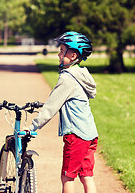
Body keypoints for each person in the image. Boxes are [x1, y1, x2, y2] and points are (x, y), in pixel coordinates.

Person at [28, 31, 98, 193]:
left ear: (72, 55)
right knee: (86, 175)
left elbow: (50, 107)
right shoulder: (82, 75)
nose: (58, 55)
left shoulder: (67, 79)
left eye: (61, 51)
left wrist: (33, 126)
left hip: (76, 135)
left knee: (67, 177)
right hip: (90, 133)